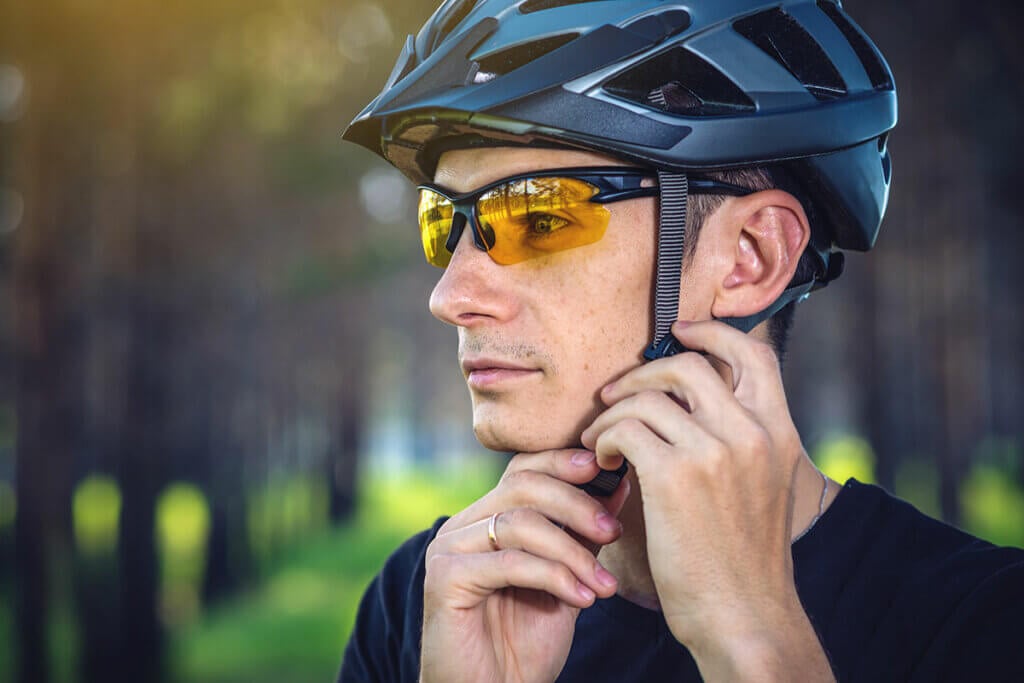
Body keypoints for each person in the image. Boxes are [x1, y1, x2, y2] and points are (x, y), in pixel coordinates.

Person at [338, 1, 1024, 681]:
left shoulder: (986, 626)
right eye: (445, 222)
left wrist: (757, 644)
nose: (450, 296)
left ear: (750, 257)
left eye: (538, 216)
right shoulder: (429, 600)